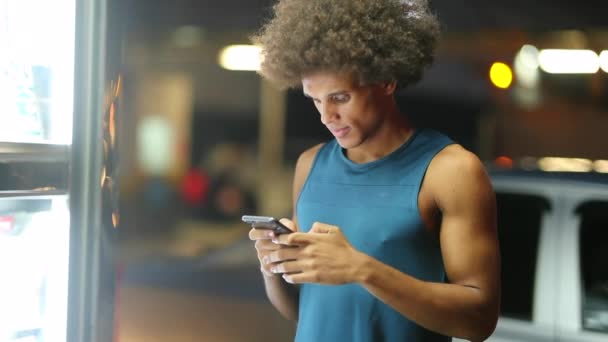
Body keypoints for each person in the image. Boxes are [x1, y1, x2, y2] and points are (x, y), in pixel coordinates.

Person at [247, 0, 500, 341]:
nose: (326, 116)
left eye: (340, 97)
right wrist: (273, 267)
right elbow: (304, 312)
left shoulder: (451, 172)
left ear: (386, 80)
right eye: (315, 99)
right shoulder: (310, 164)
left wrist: (361, 269)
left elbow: (479, 320)